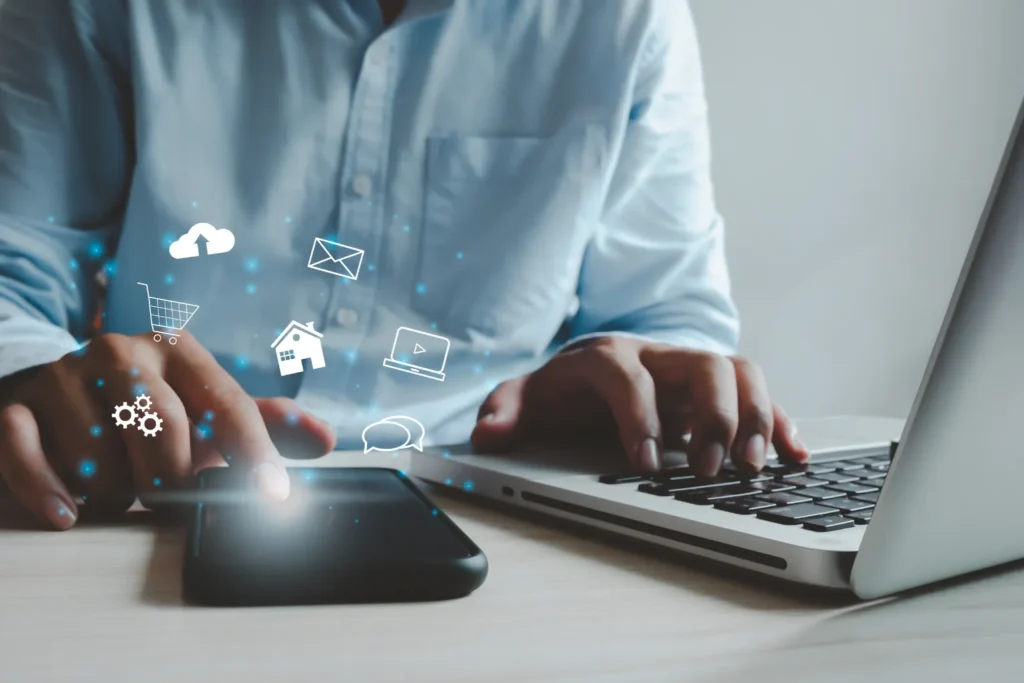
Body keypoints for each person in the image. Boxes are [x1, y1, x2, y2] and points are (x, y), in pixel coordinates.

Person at [0, 0, 808, 531]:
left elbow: (667, 321)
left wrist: (620, 376)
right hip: (151, 501)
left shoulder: (625, 17)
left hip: (509, 514)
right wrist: (42, 383)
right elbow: (11, 280)